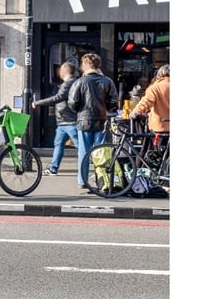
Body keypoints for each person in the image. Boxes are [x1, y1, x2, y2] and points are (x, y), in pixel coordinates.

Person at [68, 53, 120, 194]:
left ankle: (82, 181)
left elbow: (72, 102)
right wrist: (107, 109)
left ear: (86, 65)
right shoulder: (107, 81)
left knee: (84, 151)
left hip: (84, 120)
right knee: (100, 152)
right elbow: (114, 101)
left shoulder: (80, 82)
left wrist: (79, 110)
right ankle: (101, 180)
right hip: (102, 119)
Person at [32, 61, 80, 176]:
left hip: (70, 120)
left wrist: (38, 103)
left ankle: (95, 167)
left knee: (80, 146)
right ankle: (53, 168)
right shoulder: (71, 82)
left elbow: (59, 97)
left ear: (64, 71)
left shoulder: (69, 83)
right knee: (58, 144)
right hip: (63, 122)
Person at [131, 64, 170, 133]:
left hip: (160, 126)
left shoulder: (155, 87)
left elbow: (146, 102)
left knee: (156, 143)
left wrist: (136, 112)